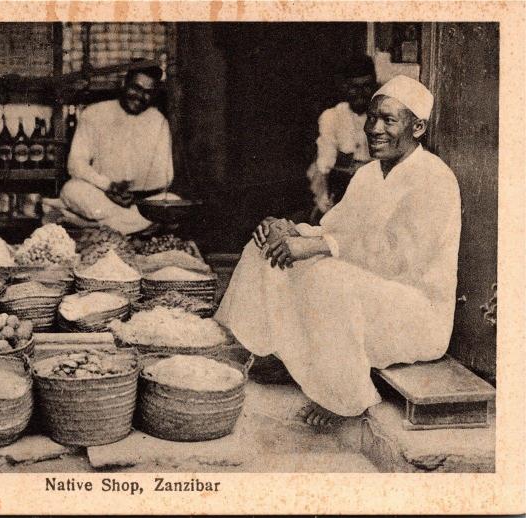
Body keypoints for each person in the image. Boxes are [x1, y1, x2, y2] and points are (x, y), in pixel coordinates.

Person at [215, 75, 461, 427]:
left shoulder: (435, 179)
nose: (374, 129)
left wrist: (316, 246)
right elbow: (334, 232)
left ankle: (345, 396)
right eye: (372, 118)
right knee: (267, 250)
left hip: (416, 311)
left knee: (328, 277)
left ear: (417, 127)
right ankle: (276, 351)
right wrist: (288, 230)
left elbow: (396, 257)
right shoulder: (368, 175)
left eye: (389, 120)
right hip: (369, 290)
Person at [52, 65, 179, 235]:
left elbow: (166, 176)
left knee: (173, 201)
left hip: (139, 202)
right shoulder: (94, 113)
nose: (140, 96)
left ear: (154, 94)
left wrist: (133, 194)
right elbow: (75, 165)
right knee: (71, 189)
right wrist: (109, 187)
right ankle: (133, 226)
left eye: (148, 92)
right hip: (102, 196)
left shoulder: (158, 121)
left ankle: (93, 225)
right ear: (124, 83)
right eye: (136, 88)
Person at [307, 54, 377, 221]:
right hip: (341, 191)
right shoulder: (333, 117)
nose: (361, 93)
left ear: (374, 85)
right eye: (354, 87)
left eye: (367, 86)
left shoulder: (381, 115)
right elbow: (325, 164)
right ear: (345, 87)